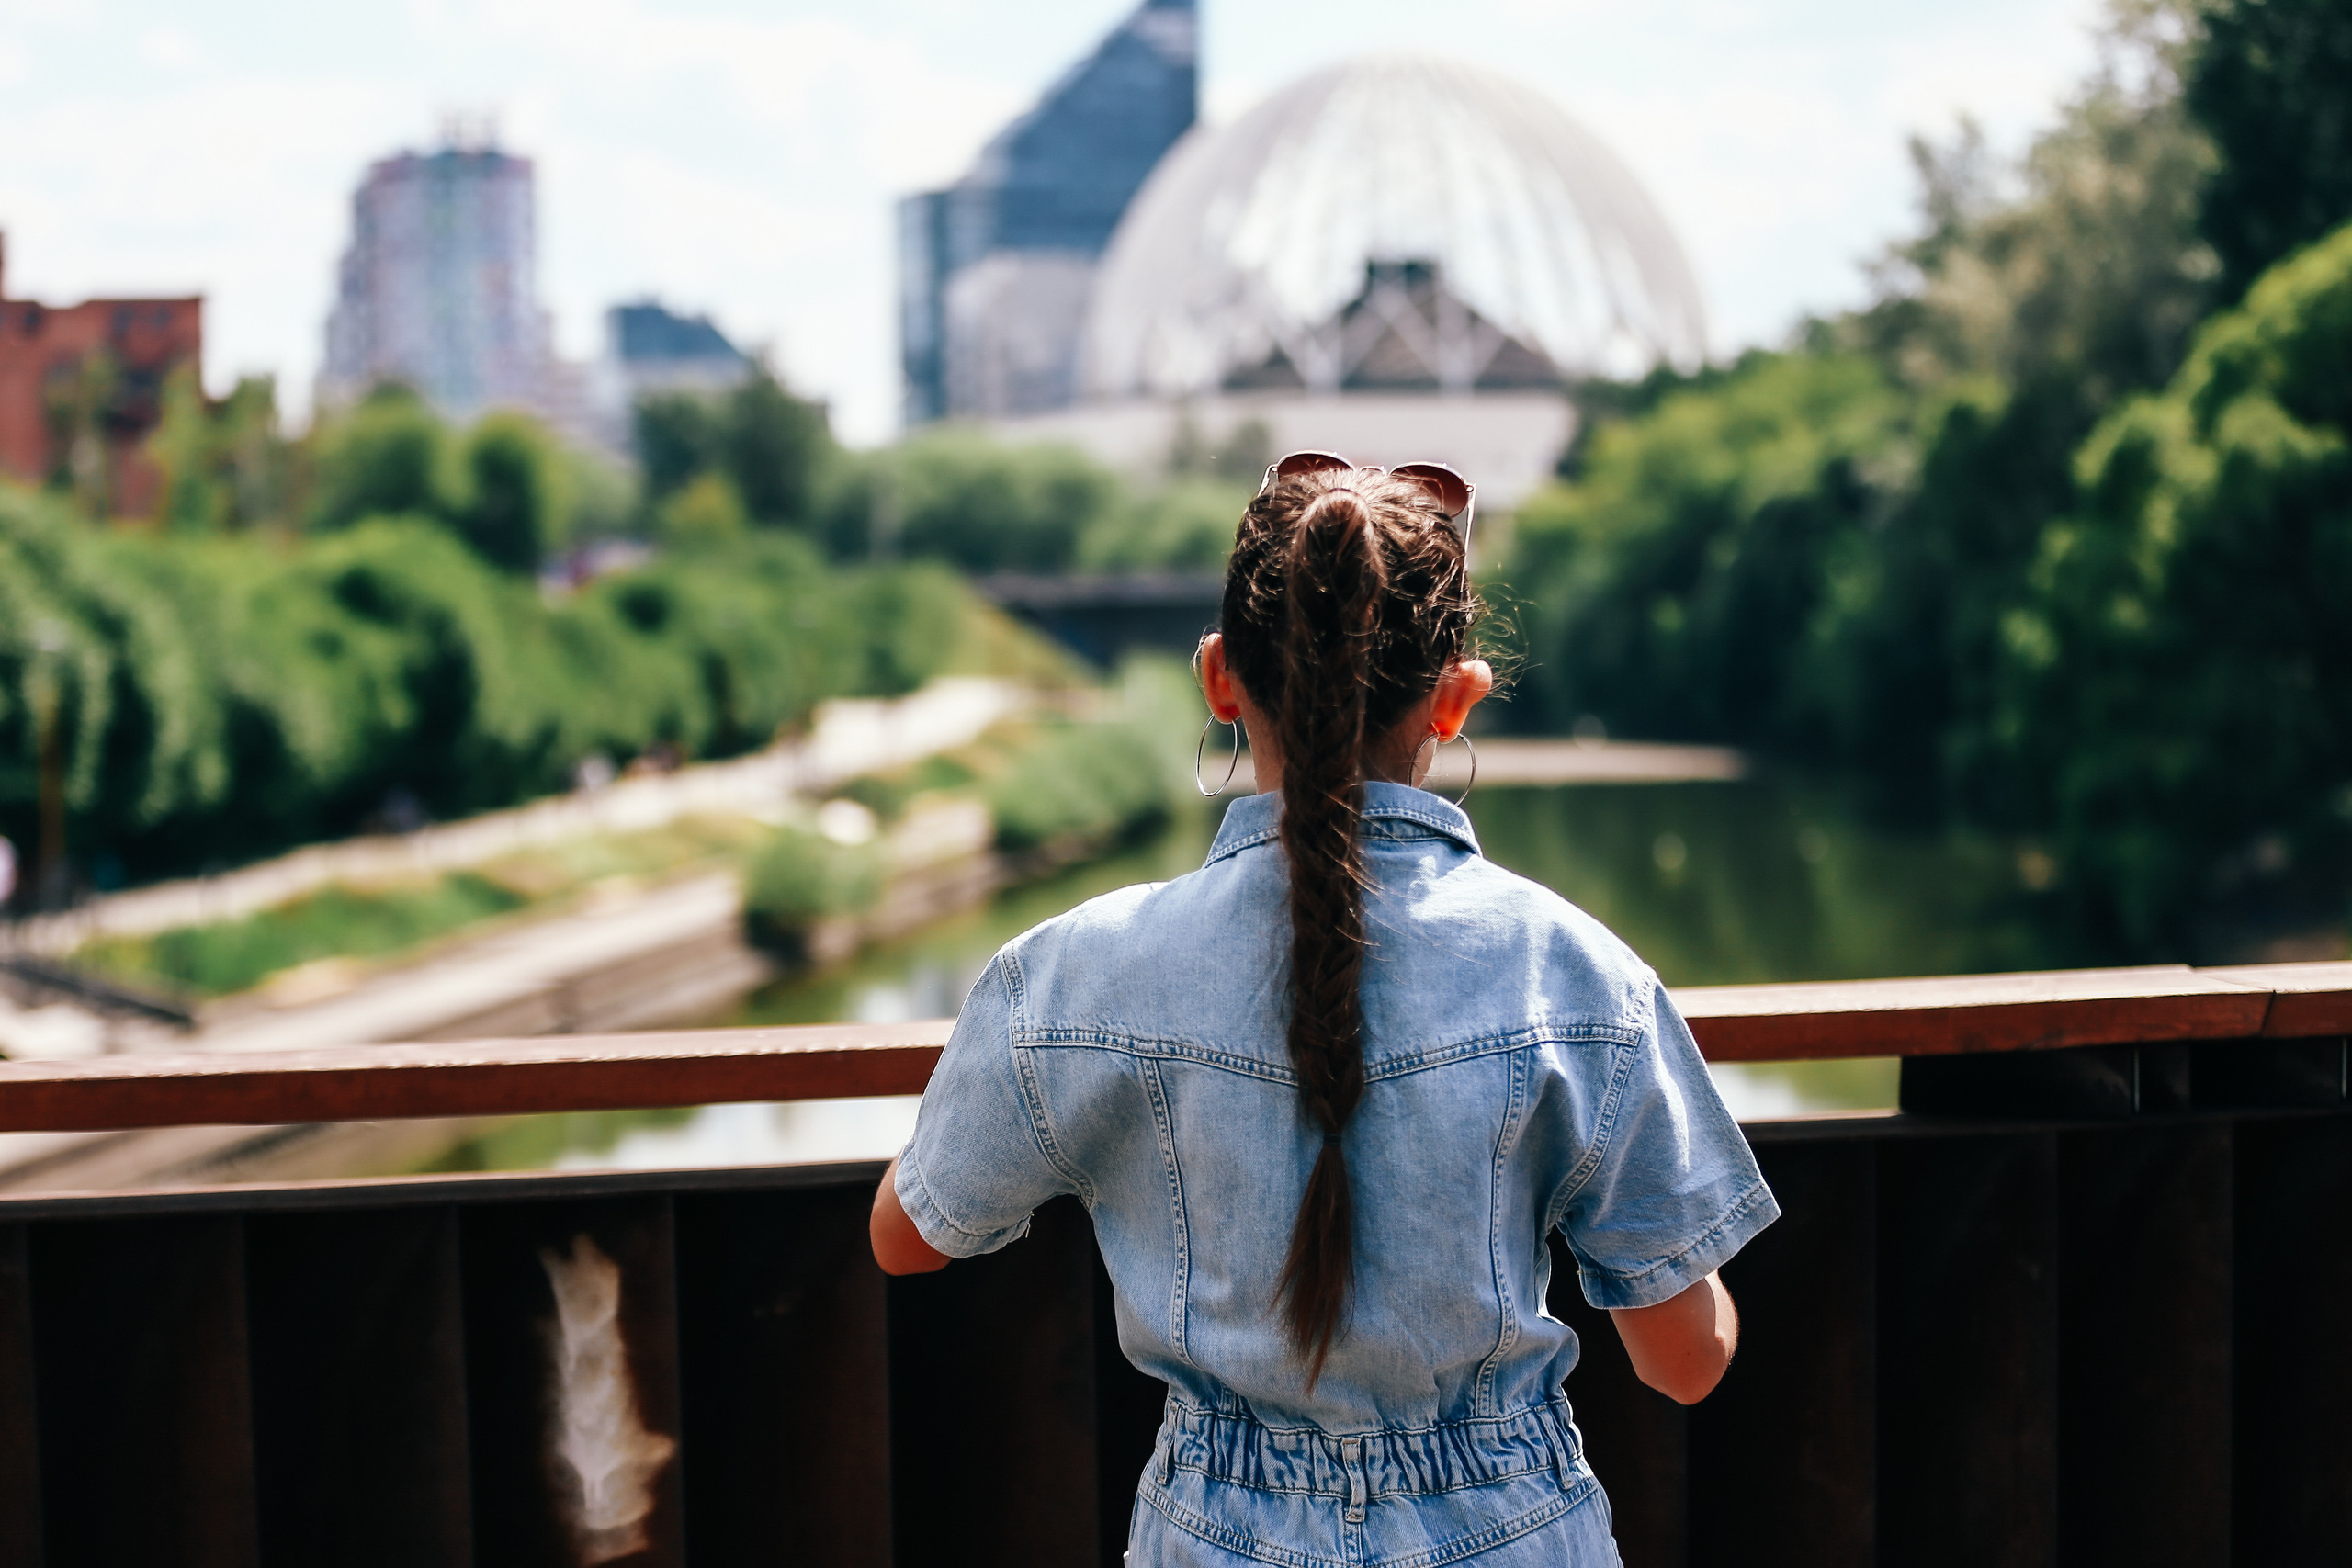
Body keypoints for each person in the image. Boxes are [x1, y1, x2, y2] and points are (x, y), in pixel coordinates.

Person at [870, 462, 1777, 1566]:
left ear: (1218, 679)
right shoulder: (1576, 975)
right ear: (1457, 697)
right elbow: (1684, 1364)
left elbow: (908, 1239)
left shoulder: (1072, 973)